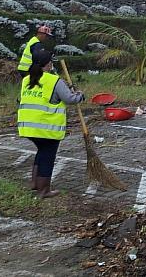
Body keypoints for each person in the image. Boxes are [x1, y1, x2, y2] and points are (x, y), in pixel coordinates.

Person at [17, 49, 83, 198]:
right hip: (46, 128)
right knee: (48, 156)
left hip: (28, 127)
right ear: (48, 64)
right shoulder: (54, 80)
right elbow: (70, 99)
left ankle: (35, 183)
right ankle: (44, 190)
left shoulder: (27, 79)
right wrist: (80, 95)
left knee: (41, 152)